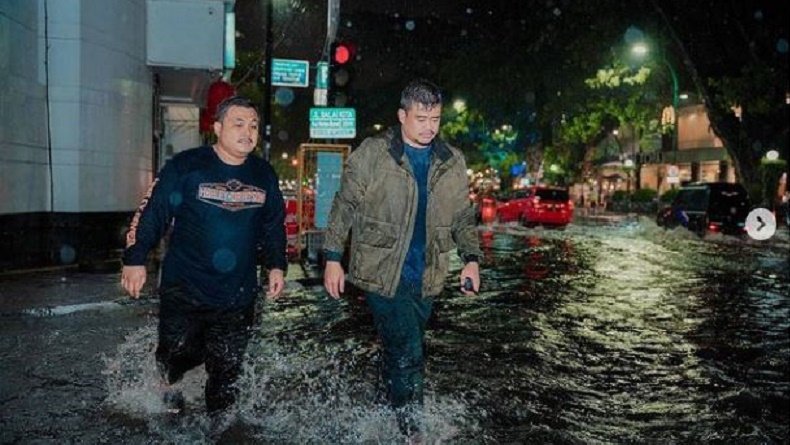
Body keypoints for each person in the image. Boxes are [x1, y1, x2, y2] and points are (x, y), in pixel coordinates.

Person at [323, 78, 482, 441]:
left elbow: (462, 215)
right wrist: (333, 257)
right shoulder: (375, 152)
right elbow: (344, 203)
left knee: (400, 351)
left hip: (428, 274)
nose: (429, 127)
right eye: (421, 118)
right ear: (402, 115)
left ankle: (381, 413)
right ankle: (412, 433)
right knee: (409, 353)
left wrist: (471, 258)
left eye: (436, 119)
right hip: (382, 272)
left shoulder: (451, 160)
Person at [120, 96, 287, 429]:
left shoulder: (263, 174)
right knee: (175, 357)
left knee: (227, 370)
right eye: (238, 123)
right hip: (185, 288)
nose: (247, 132)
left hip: (237, 295)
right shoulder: (186, 166)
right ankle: (170, 398)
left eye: (253, 125)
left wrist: (276, 265)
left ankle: (219, 429)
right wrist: (135, 258)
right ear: (217, 128)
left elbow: (273, 226)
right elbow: (153, 212)